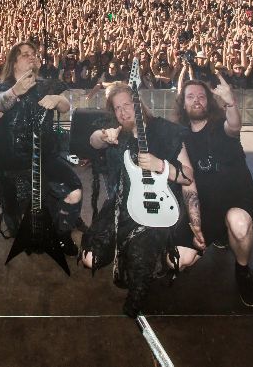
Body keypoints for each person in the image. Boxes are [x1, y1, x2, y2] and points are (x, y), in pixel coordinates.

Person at [81, 81, 196, 318]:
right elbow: (93, 141)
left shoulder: (164, 130)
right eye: (117, 108)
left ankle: (152, 267)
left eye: (127, 105)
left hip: (157, 202)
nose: (123, 112)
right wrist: (104, 136)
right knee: (91, 258)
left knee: (143, 258)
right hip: (120, 205)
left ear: (139, 104)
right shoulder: (114, 131)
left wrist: (161, 165)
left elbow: (188, 175)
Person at [0, 41, 82, 254]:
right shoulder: (2, 89)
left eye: (33, 53)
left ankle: (63, 235)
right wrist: (15, 91)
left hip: (45, 157)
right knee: (30, 234)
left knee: (73, 189)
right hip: (15, 165)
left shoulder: (46, 85)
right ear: (13, 62)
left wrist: (56, 99)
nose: (31, 56)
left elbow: (65, 107)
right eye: (25, 54)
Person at [173, 78, 253, 307]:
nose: (196, 100)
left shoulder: (221, 125)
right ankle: (221, 235)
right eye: (190, 96)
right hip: (207, 208)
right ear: (183, 103)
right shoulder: (180, 137)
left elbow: (234, 126)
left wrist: (231, 102)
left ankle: (242, 271)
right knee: (177, 261)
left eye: (201, 96)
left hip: (238, 202)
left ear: (209, 102)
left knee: (238, 223)